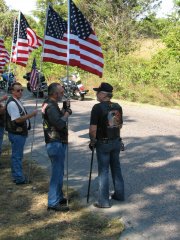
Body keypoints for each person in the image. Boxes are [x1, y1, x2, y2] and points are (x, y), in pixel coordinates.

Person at [89, 82, 124, 208]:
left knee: (103, 171)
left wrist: (92, 140)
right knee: (116, 168)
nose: (96, 94)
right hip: (116, 141)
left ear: (103, 94)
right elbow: (119, 125)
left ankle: (104, 202)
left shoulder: (97, 108)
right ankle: (120, 195)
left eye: (97, 92)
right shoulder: (118, 106)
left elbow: (93, 129)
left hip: (103, 143)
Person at [42, 83, 72, 211]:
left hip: (56, 141)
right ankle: (53, 202)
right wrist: (67, 114)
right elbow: (59, 124)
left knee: (59, 172)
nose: (62, 94)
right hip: (55, 141)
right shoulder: (50, 106)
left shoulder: (51, 103)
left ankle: (59, 197)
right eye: (61, 92)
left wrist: (64, 110)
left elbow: (57, 119)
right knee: (57, 173)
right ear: (54, 94)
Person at [5, 82, 37, 184]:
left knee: (16, 156)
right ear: (12, 91)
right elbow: (18, 120)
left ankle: (16, 176)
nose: (20, 92)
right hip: (16, 134)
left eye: (21, 90)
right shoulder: (12, 103)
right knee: (17, 156)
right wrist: (31, 115)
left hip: (19, 133)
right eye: (18, 90)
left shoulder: (16, 100)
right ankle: (19, 178)